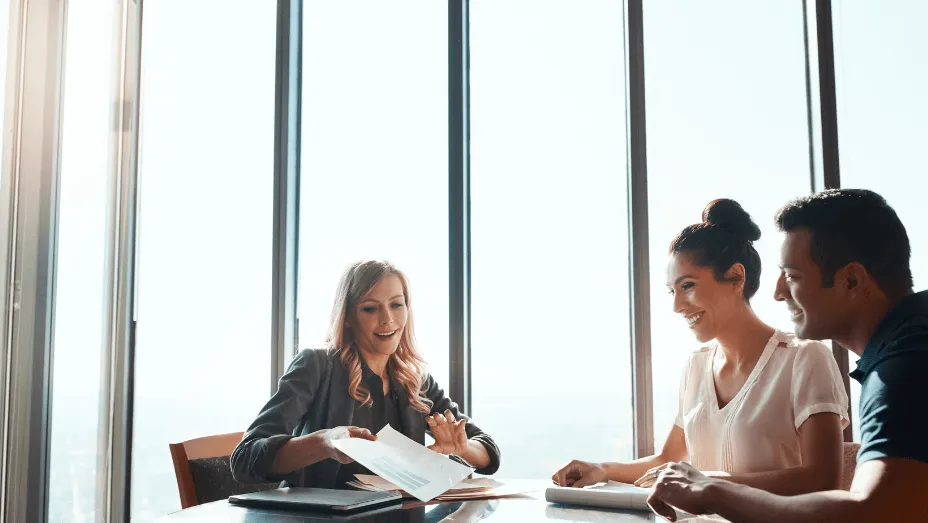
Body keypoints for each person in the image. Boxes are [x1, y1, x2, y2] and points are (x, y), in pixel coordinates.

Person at [647, 189, 928, 523]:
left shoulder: (903, 367)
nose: (778, 293)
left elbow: (875, 512)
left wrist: (713, 491)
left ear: (851, 280)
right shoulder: (905, 344)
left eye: (793, 276)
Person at [554, 199, 848, 495]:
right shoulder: (696, 365)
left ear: (736, 276)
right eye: (672, 291)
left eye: (687, 286)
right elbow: (668, 460)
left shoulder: (805, 359)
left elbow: (822, 480)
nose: (677, 306)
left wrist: (708, 483)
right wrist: (602, 470)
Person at [231, 260, 500, 488]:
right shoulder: (316, 365)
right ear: (347, 316)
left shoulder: (415, 378)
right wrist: (326, 441)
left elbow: (488, 451)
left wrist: (461, 448)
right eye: (370, 308)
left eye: (396, 305)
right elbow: (245, 458)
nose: (387, 319)